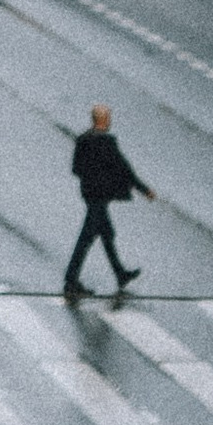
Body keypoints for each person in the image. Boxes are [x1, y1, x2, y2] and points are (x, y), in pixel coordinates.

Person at [63, 103, 152, 299]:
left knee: (106, 234)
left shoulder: (83, 140)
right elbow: (123, 168)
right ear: (103, 120)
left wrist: (91, 178)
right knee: (86, 239)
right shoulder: (107, 142)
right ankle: (70, 281)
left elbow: (75, 169)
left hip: (89, 194)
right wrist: (143, 189)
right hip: (100, 196)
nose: (109, 120)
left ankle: (120, 274)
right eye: (108, 117)